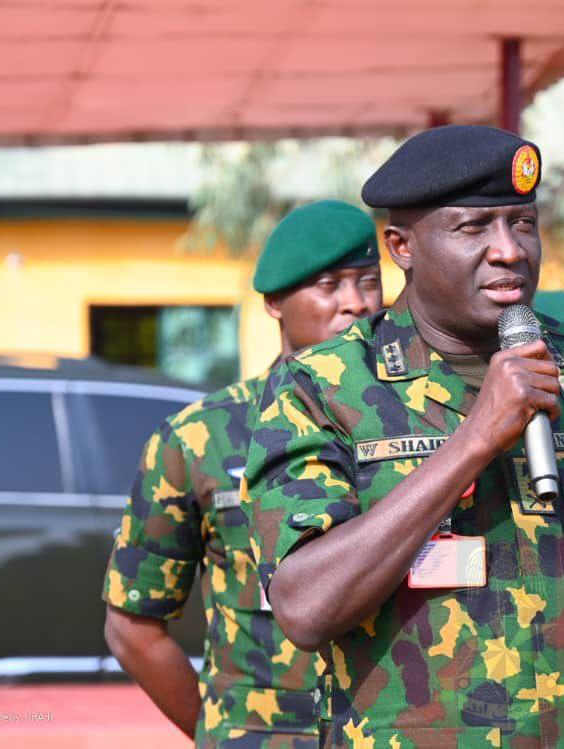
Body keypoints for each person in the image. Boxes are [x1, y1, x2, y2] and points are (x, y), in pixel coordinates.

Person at [242, 125, 564, 748]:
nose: (509, 250)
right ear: (402, 246)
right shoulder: (322, 387)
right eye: (473, 228)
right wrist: (473, 442)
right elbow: (305, 608)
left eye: (522, 223)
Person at [102, 200, 385, 747]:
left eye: (368, 281)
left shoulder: (417, 420)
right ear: (274, 303)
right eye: (329, 286)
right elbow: (133, 627)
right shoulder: (200, 437)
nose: (356, 303)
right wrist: (220, 733)